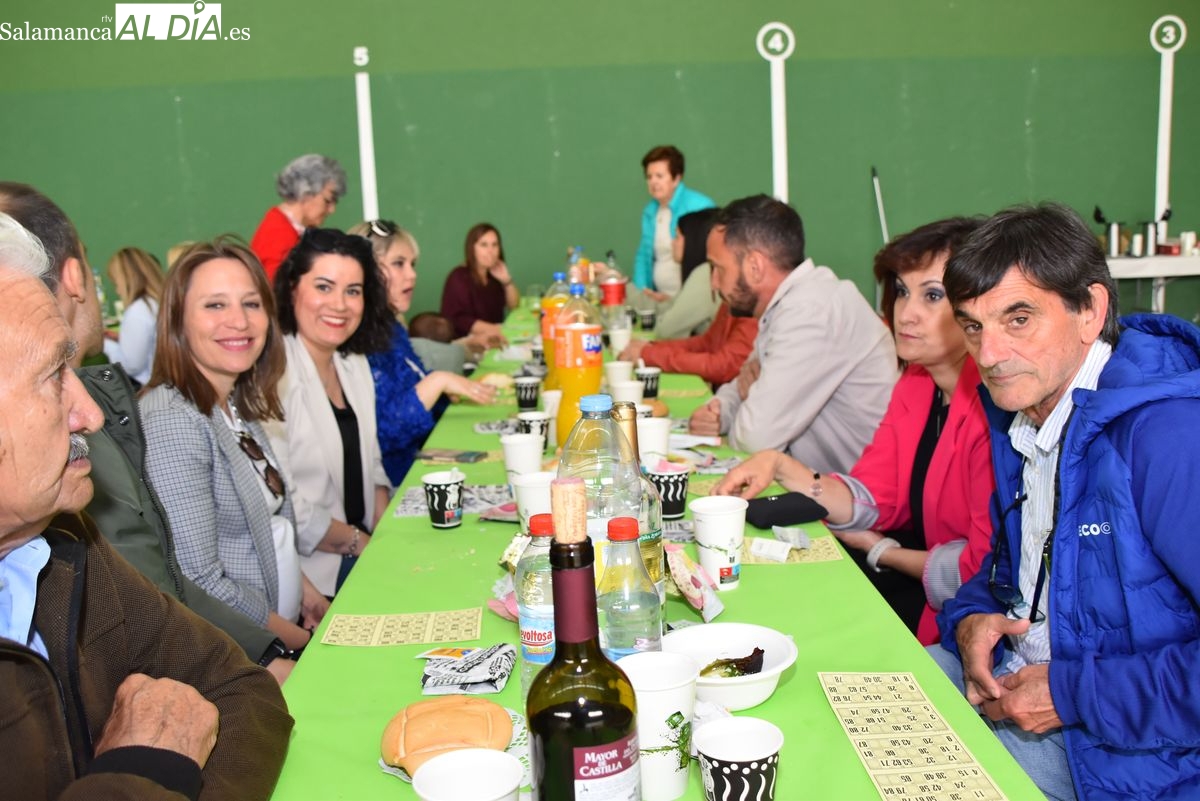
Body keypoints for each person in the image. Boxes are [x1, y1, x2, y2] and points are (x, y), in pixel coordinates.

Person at [0, 213, 292, 800]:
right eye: (54, 375)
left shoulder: (67, 546)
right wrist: (148, 773)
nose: (92, 416)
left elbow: (243, 689)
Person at [932, 203, 1200, 800]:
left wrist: (1071, 694)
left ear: (1090, 312)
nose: (989, 354)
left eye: (1018, 319)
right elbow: (1009, 571)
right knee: (851, 687)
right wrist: (970, 621)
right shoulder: (1022, 412)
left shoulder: (1170, 438)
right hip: (1020, 683)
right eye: (973, 326)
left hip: (1138, 755)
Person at [713, 218, 993, 643]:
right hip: (926, 593)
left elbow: (978, 569)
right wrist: (780, 464)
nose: (906, 312)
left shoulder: (993, 404)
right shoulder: (918, 384)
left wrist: (883, 551)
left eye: (932, 295)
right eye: (902, 291)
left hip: (967, 625)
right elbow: (873, 496)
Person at [140, 238, 329, 656]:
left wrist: (307, 593)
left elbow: (264, 527)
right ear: (178, 320)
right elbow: (200, 582)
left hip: (280, 630)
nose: (239, 321)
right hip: (243, 654)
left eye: (251, 304)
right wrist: (300, 643)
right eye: (215, 305)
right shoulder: (173, 421)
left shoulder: (233, 403)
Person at [688, 194, 898, 474]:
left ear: (755, 267)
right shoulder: (788, 305)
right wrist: (718, 411)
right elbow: (742, 382)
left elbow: (755, 440)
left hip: (861, 495)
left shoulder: (811, 312)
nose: (714, 283)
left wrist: (751, 399)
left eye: (718, 268)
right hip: (825, 484)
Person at [266, 227, 392, 597]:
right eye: (324, 287)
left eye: (353, 291)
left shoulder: (353, 362)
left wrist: (386, 535)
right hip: (314, 571)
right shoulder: (273, 373)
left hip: (364, 546)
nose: (340, 304)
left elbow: (372, 462)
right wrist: (362, 544)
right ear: (293, 289)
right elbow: (284, 502)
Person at [350, 219, 497, 485]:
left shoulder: (391, 327)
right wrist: (439, 381)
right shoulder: (356, 340)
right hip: (394, 482)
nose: (412, 275)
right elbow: (384, 435)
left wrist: (451, 390)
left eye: (412, 264)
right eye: (399, 263)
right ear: (366, 271)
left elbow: (412, 383)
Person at [632, 145, 715, 298]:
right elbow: (643, 255)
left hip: (691, 298)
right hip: (658, 297)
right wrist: (641, 292)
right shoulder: (649, 211)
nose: (653, 182)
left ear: (676, 178)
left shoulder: (700, 206)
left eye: (659, 176)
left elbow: (707, 259)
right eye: (649, 177)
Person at [249, 154, 346, 281]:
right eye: (328, 201)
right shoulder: (278, 238)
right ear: (306, 193)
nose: (332, 210)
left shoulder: (287, 229)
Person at [647, 207, 722, 339]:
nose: (672, 243)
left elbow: (665, 332)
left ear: (693, 241)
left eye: (677, 236)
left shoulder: (704, 275)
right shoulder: (706, 273)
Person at [439, 222, 518, 342]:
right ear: (472, 248)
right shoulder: (458, 277)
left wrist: (507, 281)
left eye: (495, 245)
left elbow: (513, 306)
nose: (490, 251)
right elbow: (458, 319)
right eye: (484, 245)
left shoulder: (494, 276)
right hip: (465, 344)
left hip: (493, 340)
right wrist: (497, 329)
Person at [105, 245, 163, 386]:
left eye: (116, 284)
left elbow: (130, 366)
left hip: (151, 388)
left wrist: (104, 343)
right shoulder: (156, 303)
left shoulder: (138, 310)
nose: (117, 291)